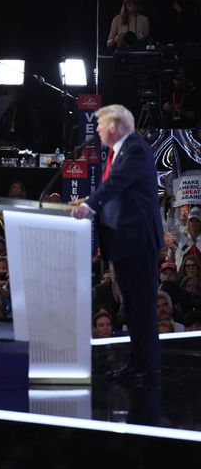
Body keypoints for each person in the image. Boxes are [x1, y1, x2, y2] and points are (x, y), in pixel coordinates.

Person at [71, 104, 162, 384]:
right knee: (131, 307)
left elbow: (117, 184)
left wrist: (90, 205)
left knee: (141, 306)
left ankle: (147, 365)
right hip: (124, 243)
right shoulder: (117, 152)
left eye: (100, 126)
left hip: (138, 241)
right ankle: (139, 362)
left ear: (116, 126)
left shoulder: (135, 149)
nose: (96, 131)